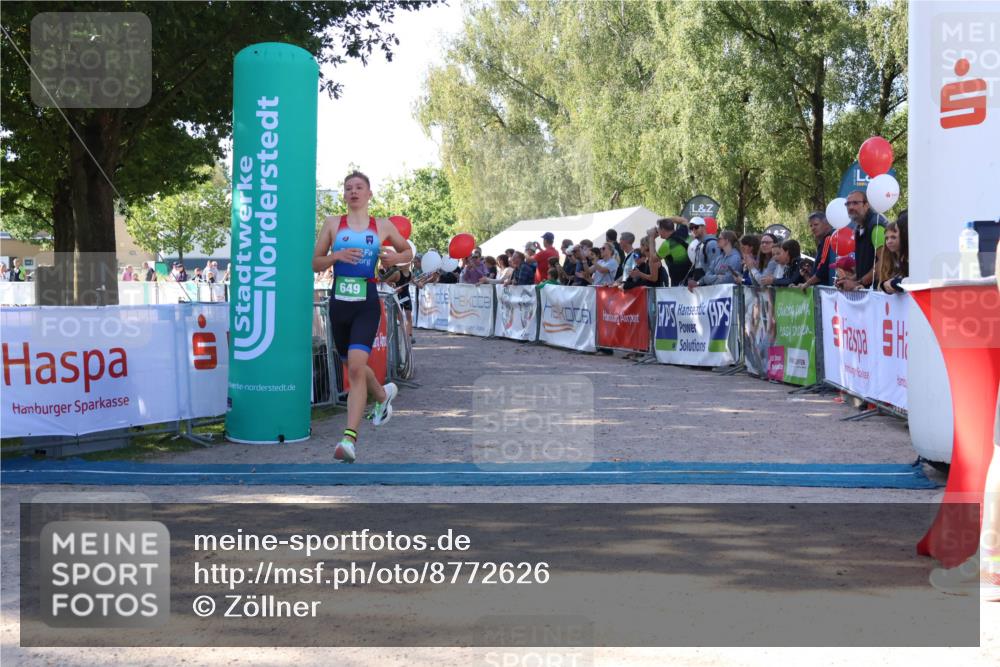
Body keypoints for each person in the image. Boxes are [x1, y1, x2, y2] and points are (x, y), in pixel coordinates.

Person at [312, 170, 410, 463]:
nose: (353, 191)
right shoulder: (333, 224)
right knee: (352, 366)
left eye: (358, 187)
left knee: (355, 368)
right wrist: (336, 257)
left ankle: (349, 439)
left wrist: (395, 258)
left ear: (369, 194)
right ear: (344, 195)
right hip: (339, 303)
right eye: (348, 188)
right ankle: (381, 395)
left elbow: (407, 252)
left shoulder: (382, 226)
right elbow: (315, 263)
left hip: (366, 302)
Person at [838, 190, 887, 291]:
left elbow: (884, 262)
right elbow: (865, 268)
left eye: (855, 203)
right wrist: (848, 280)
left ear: (866, 205)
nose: (851, 207)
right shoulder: (859, 228)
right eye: (848, 204)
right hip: (867, 292)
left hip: (878, 293)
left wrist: (858, 282)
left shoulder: (876, 226)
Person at [799, 212, 835, 290]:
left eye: (816, 224)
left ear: (827, 224)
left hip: (828, 290)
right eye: (811, 226)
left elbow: (822, 271)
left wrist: (807, 283)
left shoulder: (828, 239)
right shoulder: (823, 241)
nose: (813, 228)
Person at [878, 211, 908, 294]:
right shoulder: (887, 259)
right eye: (887, 238)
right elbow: (882, 283)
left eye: (893, 237)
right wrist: (884, 285)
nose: (889, 241)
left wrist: (893, 284)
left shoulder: (909, 257)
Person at [656, 217, 692, 286]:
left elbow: (653, 259)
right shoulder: (684, 231)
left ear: (663, 230)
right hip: (691, 278)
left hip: (678, 282)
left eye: (658, 229)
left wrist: (651, 237)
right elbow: (684, 220)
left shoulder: (666, 245)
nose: (658, 231)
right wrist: (665, 220)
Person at [685, 218, 722, 283]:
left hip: (709, 286)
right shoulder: (700, 245)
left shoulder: (712, 244)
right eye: (691, 228)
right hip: (701, 285)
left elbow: (716, 270)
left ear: (704, 227)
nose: (693, 230)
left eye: (696, 227)